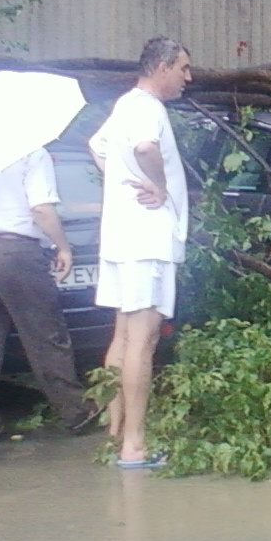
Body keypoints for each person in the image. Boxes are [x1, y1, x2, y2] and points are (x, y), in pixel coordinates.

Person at [88, 37, 193, 468]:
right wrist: (161, 187)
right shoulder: (148, 107)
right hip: (147, 238)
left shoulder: (124, 105)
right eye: (183, 68)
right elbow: (146, 148)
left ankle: (116, 436)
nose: (189, 77)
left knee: (123, 337)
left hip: (119, 237)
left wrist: (121, 179)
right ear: (163, 66)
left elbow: (97, 148)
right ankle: (135, 446)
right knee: (143, 340)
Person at [0, 146, 99, 446]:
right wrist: (64, 247)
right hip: (17, 250)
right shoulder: (32, 152)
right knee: (44, 334)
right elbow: (41, 209)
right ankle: (76, 412)